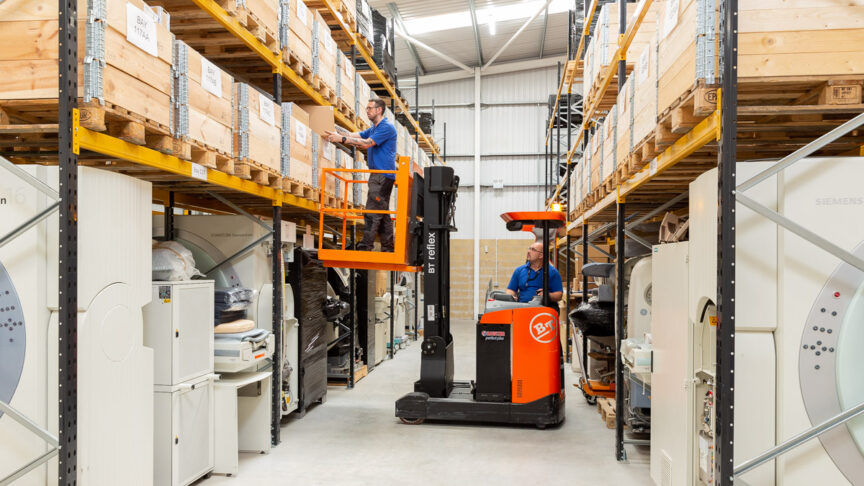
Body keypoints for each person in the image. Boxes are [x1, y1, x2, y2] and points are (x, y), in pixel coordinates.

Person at [326, 99, 397, 252]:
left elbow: (366, 143)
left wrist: (342, 139)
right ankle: (388, 247)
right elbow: (354, 135)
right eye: (366, 108)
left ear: (379, 110)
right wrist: (335, 129)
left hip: (382, 176)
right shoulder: (374, 128)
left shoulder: (386, 128)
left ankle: (366, 246)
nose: (367, 111)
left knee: (372, 210)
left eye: (370, 108)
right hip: (378, 175)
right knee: (382, 212)